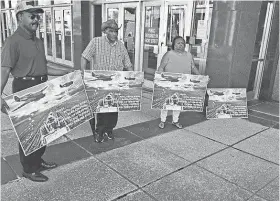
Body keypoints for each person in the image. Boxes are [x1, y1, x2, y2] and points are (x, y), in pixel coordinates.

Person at [1, 1, 73, 182]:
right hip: (25, 88)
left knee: (43, 128)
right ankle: (29, 168)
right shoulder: (13, 41)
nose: (36, 20)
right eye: (32, 16)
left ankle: (37, 161)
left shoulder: (38, 40)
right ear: (20, 17)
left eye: (38, 16)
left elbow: (45, 66)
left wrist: (67, 71)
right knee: (29, 132)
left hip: (42, 86)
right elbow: (4, 70)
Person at [81, 19, 133, 143]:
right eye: (111, 31)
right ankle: (99, 131)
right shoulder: (96, 42)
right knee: (102, 108)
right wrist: (83, 74)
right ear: (105, 31)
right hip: (100, 82)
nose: (114, 34)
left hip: (116, 82)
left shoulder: (121, 45)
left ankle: (109, 129)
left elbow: (127, 64)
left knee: (114, 108)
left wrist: (132, 77)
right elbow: (84, 57)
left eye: (116, 31)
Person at [157, 36, 201, 129]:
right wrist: (159, 78)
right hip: (169, 82)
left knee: (178, 103)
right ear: (174, 44)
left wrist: (200, 77)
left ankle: (175, 120)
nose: (181, 45)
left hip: (183, 83)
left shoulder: (189, 55)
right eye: (178, 43)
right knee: (166, 102)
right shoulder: (169, 54)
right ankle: (162, 120)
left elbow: (193, 67)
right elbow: (161, 67)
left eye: (182, 43)